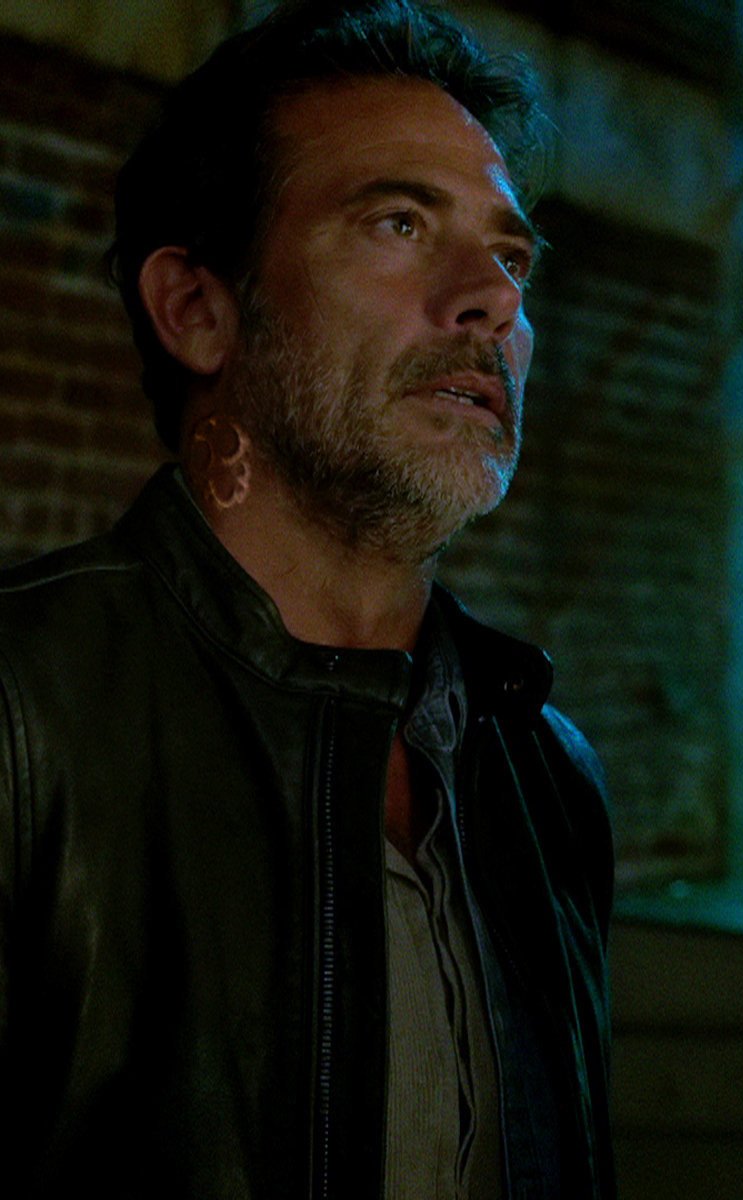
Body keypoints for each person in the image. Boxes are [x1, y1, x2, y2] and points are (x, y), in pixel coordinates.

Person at [0, 2, 614, 1196]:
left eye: (511, 258)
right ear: (197, 310)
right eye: (398, 223)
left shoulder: (540, 766)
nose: (489, 300)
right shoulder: (25, 715)